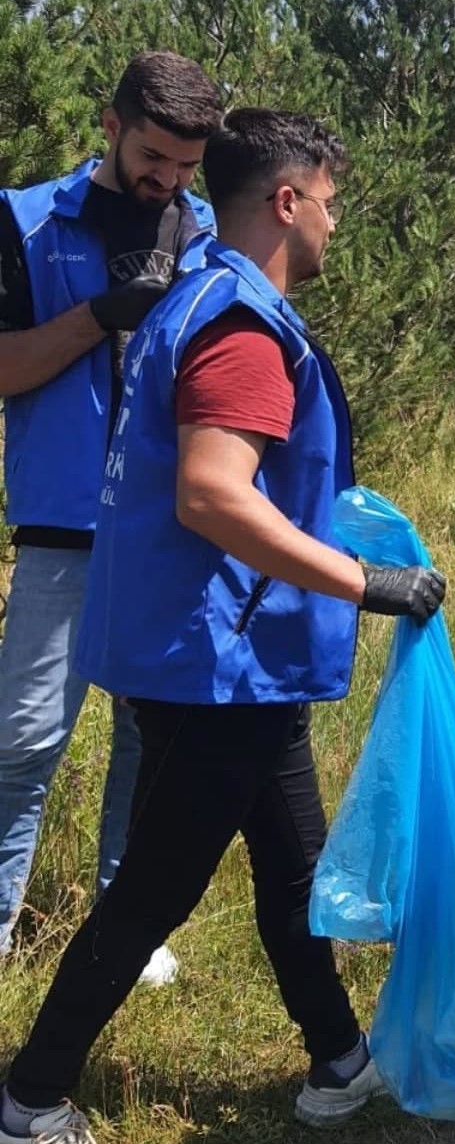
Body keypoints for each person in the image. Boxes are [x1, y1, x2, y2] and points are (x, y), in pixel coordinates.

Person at [0, 108, 446, 1144]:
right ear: (288, 201)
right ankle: (26, 1108)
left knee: (293, 857)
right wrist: (364, 582)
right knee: (154, 888)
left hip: (231, 655)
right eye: (332, 200)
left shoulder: (196, 291)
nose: (339, 222)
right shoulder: (243, 323)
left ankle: (337, 1060)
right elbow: (211, 492)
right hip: (219, 655)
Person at [0, 51, 224, 980]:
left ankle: (125, 929)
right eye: (153, 155)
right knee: (22, 741)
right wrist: (104, 312)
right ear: (109, 122)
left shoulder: (206, 229)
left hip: (167, 526)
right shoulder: (25, 220)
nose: (167, 179)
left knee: (149, 740)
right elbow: (6, 368)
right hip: (61, 527)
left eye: (185, 164)